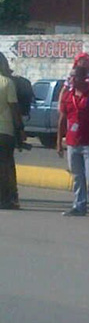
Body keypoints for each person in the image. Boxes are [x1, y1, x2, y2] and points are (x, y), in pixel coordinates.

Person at [57, 66, 89, 217]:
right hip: (73, 142)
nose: (71, 79)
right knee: (77, 176)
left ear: (82, 78)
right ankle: (79, 205)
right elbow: (62, 119)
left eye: (74, 77)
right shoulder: (68, 95)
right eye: (70, 76)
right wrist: (59, 141)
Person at [0, 52, 25, 210]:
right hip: (5, 131)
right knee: (7, 166)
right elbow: (14, 110)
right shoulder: (7, 83)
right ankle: (9, 198)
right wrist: (20, 130)